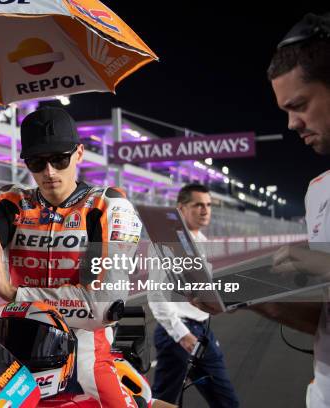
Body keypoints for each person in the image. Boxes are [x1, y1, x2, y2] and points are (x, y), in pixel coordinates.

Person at [0, 107, 148, 408]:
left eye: (59, 159)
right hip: (13, 357)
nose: (49, 171)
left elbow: (104, 305)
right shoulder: (10, 203)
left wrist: (17, 294)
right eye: (37, 162)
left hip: (86, 356)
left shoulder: (109, 206)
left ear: (79, 154)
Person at [193, 12, 330, 408]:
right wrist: (245, 295)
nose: (291, 123)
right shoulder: (319, 192)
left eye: (299, 104)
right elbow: (322, 323)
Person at [147, 184, 239, 407]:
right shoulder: (165, 242)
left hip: (203, 330)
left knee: (226, 401)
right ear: (180, 209)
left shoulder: (204, 243)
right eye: (198, 205)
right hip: (177, 334)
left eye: (208, 205)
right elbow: (156, 294)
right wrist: (182, 335)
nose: (205, 210)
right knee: (165, 402)